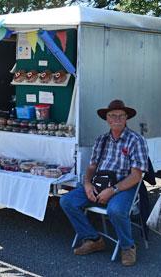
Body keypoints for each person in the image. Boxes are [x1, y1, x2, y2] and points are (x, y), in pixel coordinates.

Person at [60, 99, 148, 266]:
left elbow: (136, 176)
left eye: (120, 115)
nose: (116, 119)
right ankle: (93, 239)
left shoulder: (136, 140)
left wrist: (113, 190)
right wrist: (87, 184)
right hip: (100, 182)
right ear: (106, 119)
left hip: (124, 185)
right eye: (112, 115)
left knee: (115, 210)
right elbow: (92, 167)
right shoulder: (102, 140)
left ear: (126, 118)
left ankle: (128, 246)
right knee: (67, 201)